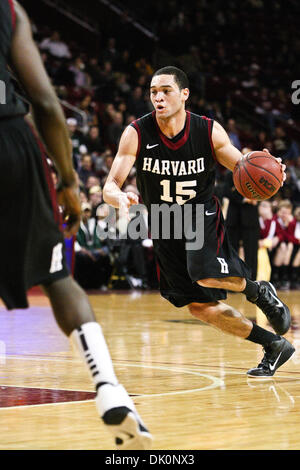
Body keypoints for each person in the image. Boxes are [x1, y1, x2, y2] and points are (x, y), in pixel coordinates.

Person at [0, 0, 151, 450]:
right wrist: (68, 181)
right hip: (11, 142)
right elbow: (46, 102)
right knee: (57, 278)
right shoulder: (9, 9)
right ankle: (108, 387)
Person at [103, 66, 295, 378]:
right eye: (153, 92)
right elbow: (110, 184)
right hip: (165, 223)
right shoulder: (136, 132)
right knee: (199, 307)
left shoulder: (207, 130)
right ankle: (274, 345)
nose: (158, 97)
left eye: (166, 90)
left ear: (184, 94)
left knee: (204, 274)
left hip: (199, 214)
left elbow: (243, 166)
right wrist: (116, 197)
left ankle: (257, 291)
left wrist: (273, 172)